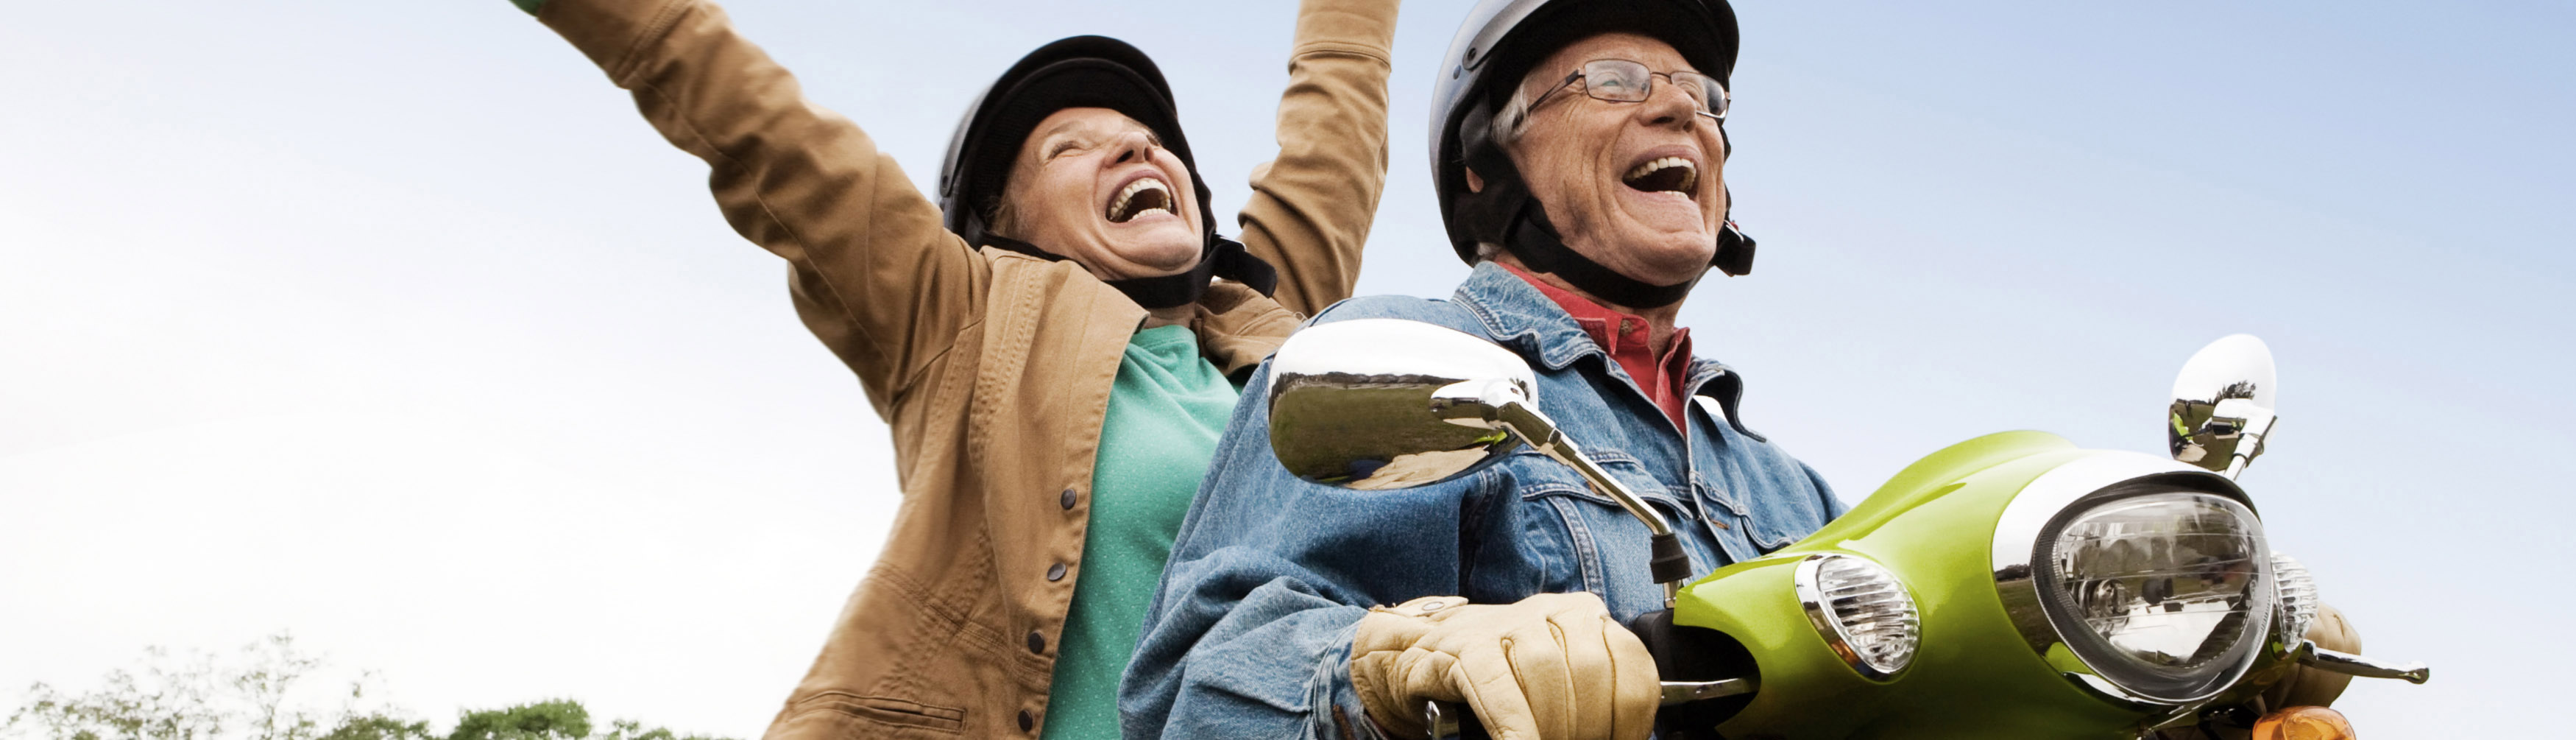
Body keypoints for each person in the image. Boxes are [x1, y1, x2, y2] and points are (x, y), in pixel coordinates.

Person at [506, 0, 1399, 736]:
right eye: (1070, 147)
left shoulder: (1279, 337)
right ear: (1006, 230)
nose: (1136, 148)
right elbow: (744, 110)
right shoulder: (961, 313)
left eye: (1147, 138)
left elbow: (1335, 124)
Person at [1120, 1, 1837, 738]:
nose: (1684, 106)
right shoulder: (1391, 354)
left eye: (1704, 94)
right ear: (1482, 168)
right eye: (1615, 82)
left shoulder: (1796, 492)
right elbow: (1197, 691)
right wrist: (1388, 667)